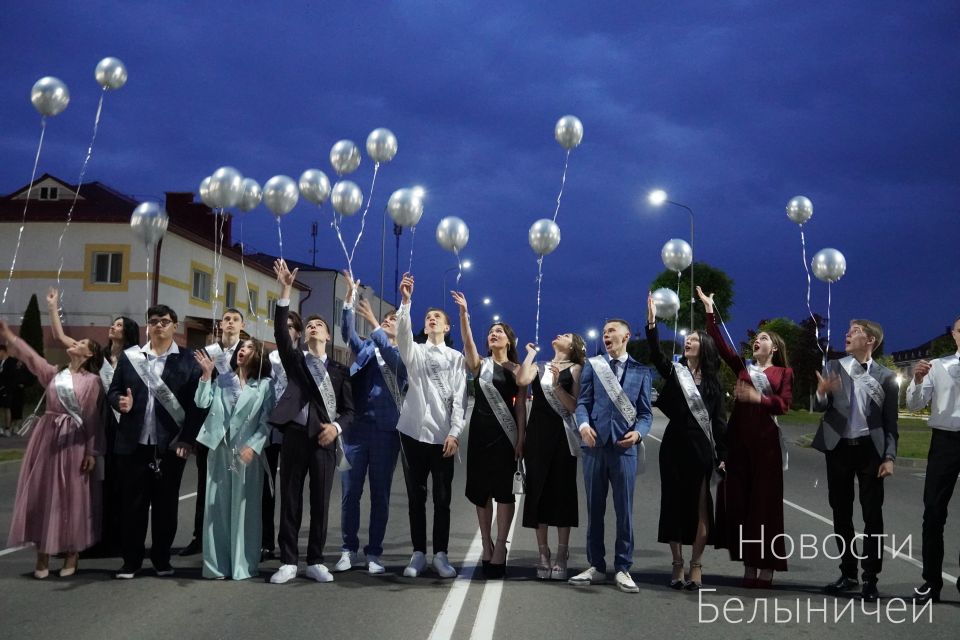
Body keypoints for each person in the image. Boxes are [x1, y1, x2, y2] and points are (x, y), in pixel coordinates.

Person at [699, 286, 793, 588]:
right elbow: (719, 343)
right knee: (738, 503)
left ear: (774, 348)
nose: (758, 340)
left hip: (766, 445)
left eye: (764, 338)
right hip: (738, 444)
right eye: (757, 337)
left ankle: (766, 566)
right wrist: (710, 311)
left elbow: (784, 405)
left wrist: (758, 398)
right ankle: (748, 562)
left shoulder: (782, 373)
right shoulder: (743, 368)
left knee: (764, 507)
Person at [268, 259, 355, 585]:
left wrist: (336, 428)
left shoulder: (339, 370)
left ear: (329, 335)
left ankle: (316, 560)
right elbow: (280, 332)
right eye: (309, 326)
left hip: (324, 439)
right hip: (294, 435)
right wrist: (285, 291)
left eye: (319, 325)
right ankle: (288, 561)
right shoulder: (295, 361)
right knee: (290, 499)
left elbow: (349, 411)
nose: (314, 327)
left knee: (320, 501)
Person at [1, 318, 104, 578]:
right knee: (44, 494)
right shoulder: (55, 373)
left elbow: (92, 417)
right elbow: (32, 359)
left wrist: (92, 452)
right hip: (47, 439)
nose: (75, 343)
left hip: (75, 442)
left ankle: (72, 554)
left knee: (71, 498)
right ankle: (42, 556)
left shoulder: (92, 381)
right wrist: (12, 339)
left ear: (89, 353)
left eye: (81, 342)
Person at [106, 304, 204, 579]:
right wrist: (119, 401)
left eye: (164, 321)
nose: (158, 325)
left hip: (170, 445)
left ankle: (161, 559)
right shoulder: (131, 357)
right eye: (153, 321)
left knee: (165, 506)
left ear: (175, 325)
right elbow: (113, 391)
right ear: (147, 326)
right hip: (133, 442)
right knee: (132, 505)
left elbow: (196, 406)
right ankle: (131, 561)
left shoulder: (187, 361)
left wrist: (187, 439)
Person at [46, 288, 140, 556]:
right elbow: (62, 337)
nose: (113, 326)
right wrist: (53, 308)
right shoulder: (98, 355)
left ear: (129, 331)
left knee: (119, 484)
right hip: (98, 423)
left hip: (123, 426)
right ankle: (89, 538)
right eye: (113, 323)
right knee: (95, 483)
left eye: (120, 325)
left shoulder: (135, 359)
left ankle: (117, 538)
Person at [813, 319, 898, 603]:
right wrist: (821, 392)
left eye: (856, 332)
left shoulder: (886, 377)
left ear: (870, 340)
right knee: (841, 512)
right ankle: (848, 573)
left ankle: (870, 579)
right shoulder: (835, 366)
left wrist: (889, 456)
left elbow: (890, 423)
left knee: (873, 516)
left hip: (870, 452)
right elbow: (821, 406)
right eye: (847, 331)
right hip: (839, 449)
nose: (848, 334)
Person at [645, 293, 726, 591]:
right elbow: (655, 354)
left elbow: (719, 423)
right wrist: (652, 321)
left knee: (700, 507)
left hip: (701, 450)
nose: (687, 342)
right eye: (686, 339)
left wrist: (723, 454)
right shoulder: (676, 373)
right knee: (673, 506)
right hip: (674, 446)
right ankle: (677, 564)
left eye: (693, 340)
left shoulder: (715, 383)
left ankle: (696, 564)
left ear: (703, 347)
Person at [569, 318, 653, 593]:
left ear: (626, 335)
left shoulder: (641, 371)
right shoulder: (594, 365)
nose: (606, 335)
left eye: (611, 331)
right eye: (604, 332)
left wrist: (639, 433)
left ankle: (623, 567)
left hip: (624, 449)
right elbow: (583, 403)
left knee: (624, 512)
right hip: (594, 448)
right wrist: (583, 426)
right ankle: (596, 565)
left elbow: (645, 414)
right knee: (595, 509)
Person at [395, 272, 466, 579]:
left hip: (441, 437)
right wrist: (406, 303)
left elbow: (461, 400)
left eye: (438, 317)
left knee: (442, 499)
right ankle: (418, 554)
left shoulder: (456, 358)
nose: (433, 319)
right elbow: (401, 337)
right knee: (415, 497)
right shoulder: (416, 351)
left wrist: (454, 432)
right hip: (412, 433)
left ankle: (441, 554)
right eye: (429, 317)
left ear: (447, 327)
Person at [335, 272, 407, 575]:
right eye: (385, 320)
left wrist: (378, 326)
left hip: (386, 433)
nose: (387, 323)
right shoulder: (365, 347)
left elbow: (394, 362)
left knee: (380, 494)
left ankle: (374, 553)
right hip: (356, 431)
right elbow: (347, 332)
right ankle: (348, 549)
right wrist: (350, 297)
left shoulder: (403, 353)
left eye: (392, 321)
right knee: (350, 493)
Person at [454, 292, 527, 578]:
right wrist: (464, 316)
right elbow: (468, 346)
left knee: (504, 493)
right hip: (481, 436)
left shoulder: (518, 370)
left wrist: (521, 438)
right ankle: (486, 543)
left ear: (509, 340)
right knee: (481, 492)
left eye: (499, 332)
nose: (493, 335)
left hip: (505, 438)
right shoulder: (479, 365)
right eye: (491, 332)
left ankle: (501, 546)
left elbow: (520, 407)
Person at [193, 338, 274, 579]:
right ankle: (217, 566)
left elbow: (267, 421)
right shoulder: (222, 381)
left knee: (245, 510)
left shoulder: (265, 385)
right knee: (216, 508)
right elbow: (201, 402)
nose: (242, 350)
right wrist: (206, 375)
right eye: (241, 347)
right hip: (219, 449)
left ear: (258, 355)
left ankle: (243, 565)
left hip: (247, 454)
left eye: (249, 347)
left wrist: (254, 446)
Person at [517, 332, 586, 581]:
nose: (559, 335)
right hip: (538, 436)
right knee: (538, 493)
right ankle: (543, 553)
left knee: (562, 494)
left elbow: (574, 406)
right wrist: (531, 353)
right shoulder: (540, 365)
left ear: (573, 346)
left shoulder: (577, 369)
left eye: (566, 335)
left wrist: (557, 385)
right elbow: (522, 379)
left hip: (563, 437)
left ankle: (561, 553)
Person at [182, 308, 246, 557]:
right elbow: (196, 395)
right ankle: (200, 536)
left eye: (235, 319)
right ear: (221, 324)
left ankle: (234, 536)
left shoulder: (249, 352)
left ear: (242, 324)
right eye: (226, 319)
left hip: (238, 432)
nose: (230, 323)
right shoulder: (209, 353)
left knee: (238, 487)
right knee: (205, 486)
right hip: (212, 431)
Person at [908, 315, 960, 604]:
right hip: (945, 440)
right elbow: (916, 404)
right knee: (933, 512)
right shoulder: (937, 366)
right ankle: (931, 581)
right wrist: (916, 380)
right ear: (954, 334)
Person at [263, 308, 301, 561]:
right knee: (267, 488)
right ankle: (266, 541)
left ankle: (288, 542)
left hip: (294, 429)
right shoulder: (269, 357)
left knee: (290, 490)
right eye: (282, 326)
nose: (285, 330)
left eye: (290, 327)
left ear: (297, 333)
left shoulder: (303, 357)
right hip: (269, 426)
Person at [0, 343, 13, 437]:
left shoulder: (10, 362)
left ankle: (8, 428)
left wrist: (6, 388)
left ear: (3, 351)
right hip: (0, 389)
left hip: (7, 390)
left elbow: (11, 377)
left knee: (7, 409)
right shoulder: (0, 362)